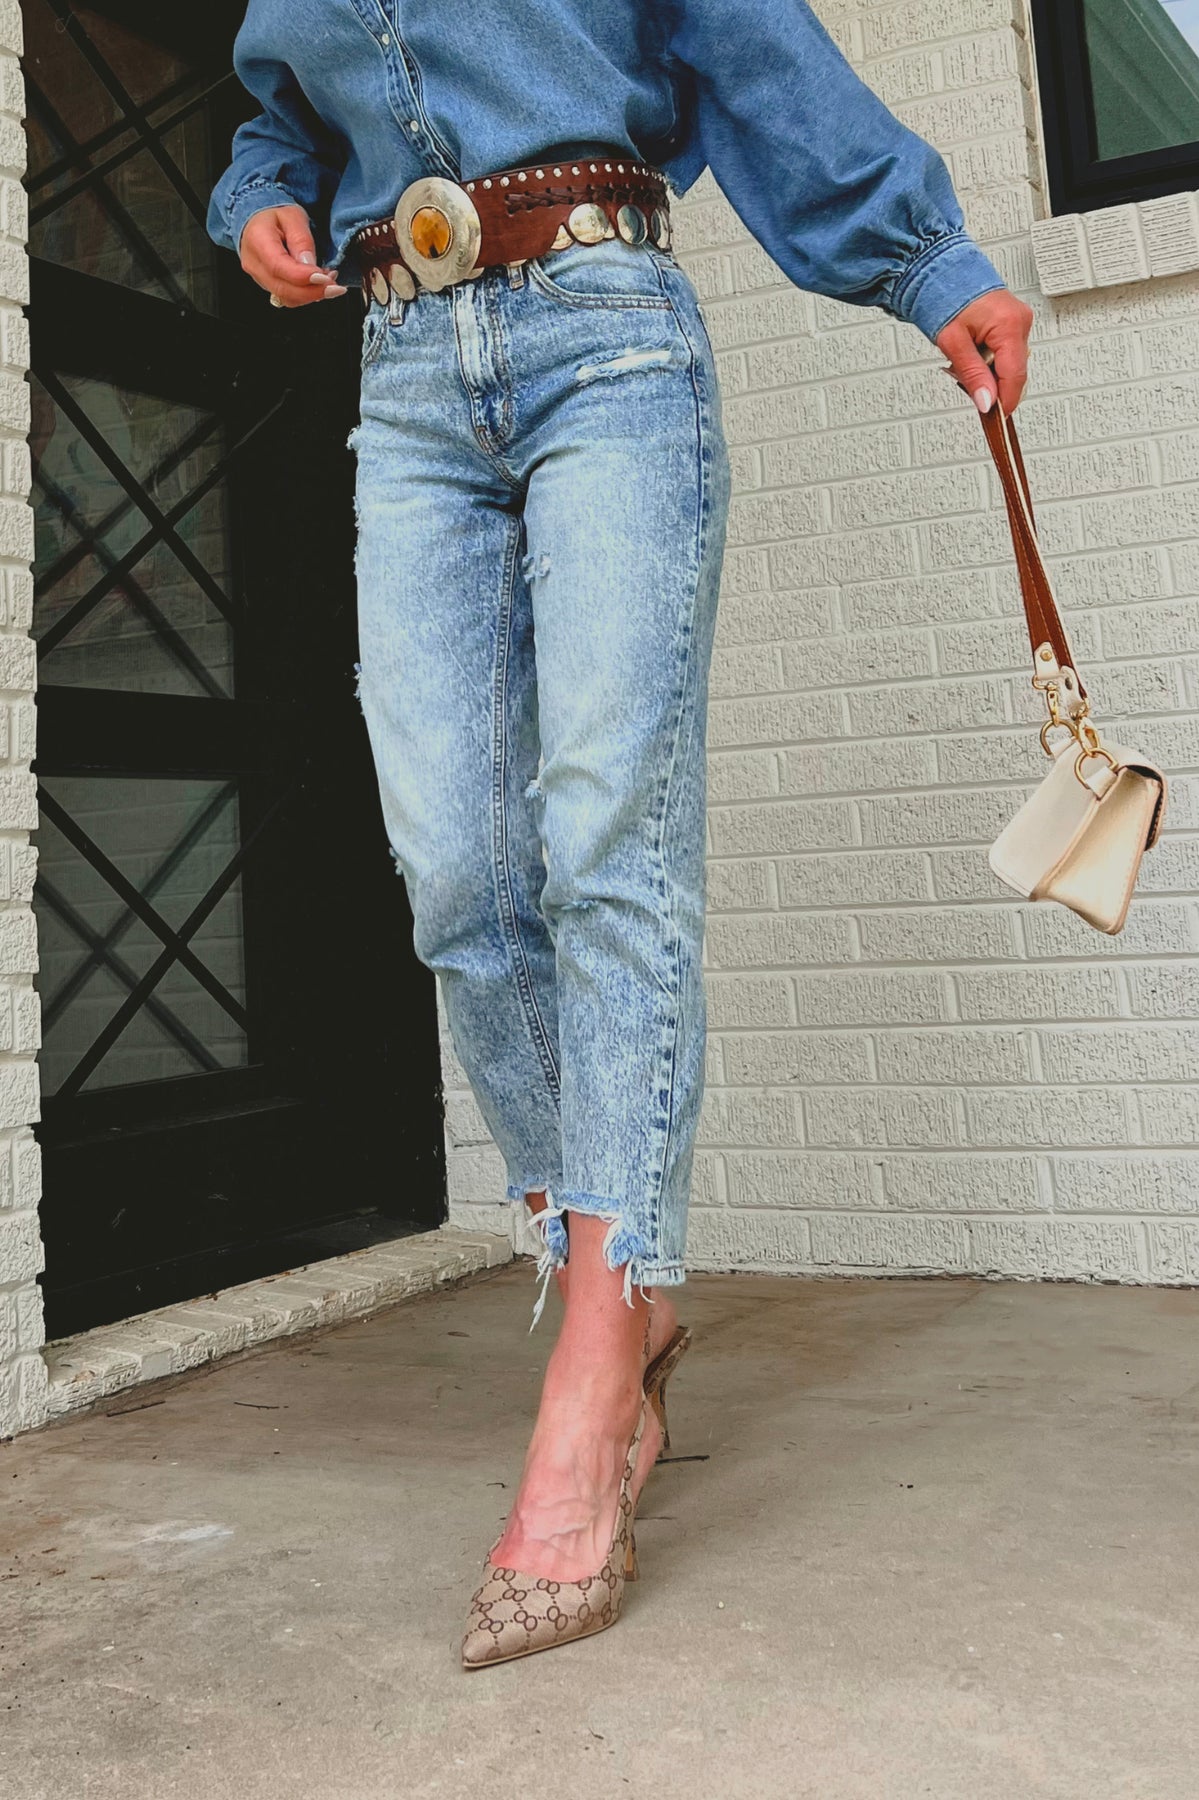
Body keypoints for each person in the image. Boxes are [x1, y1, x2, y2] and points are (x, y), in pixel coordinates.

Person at [208, 0, 1033, 1668]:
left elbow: (743, 35)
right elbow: (280, 102)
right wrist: (259, 197)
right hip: (405, 369)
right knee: (455, 872)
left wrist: (924, 259)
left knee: (606, 838)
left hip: (605, 333)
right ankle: (623, 1282)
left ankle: (600, 1352)